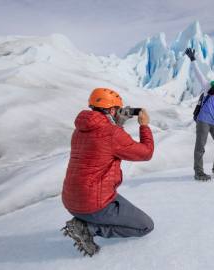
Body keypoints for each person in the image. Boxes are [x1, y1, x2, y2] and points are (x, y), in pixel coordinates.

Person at [61, 88, 155, 256]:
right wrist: (144, 126)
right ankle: (87, 228)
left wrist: (116, 125)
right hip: (94, 203)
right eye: (119, 109)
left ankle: (84, 220)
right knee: (145, 226)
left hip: (71, 201)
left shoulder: (79, 131)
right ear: (112, 110)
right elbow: (146, 153)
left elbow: (101, 142)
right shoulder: (112, 133)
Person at [185, 48, 214, 181]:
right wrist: (193, 60)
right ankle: (198, 172)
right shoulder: (209, 87)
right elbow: (199, 74)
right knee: (200, 146)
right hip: (203, 120)